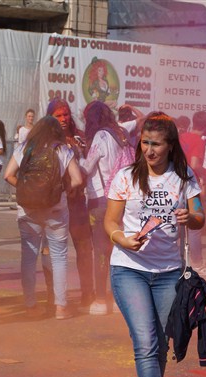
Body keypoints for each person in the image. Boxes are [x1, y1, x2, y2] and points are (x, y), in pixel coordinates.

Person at [103, 112, 204, 377]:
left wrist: (191, 217)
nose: (149, 149)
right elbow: (109, 222)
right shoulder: (126, 177)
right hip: (128, 269)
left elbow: (200, 216)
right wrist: (122, 239)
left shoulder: (184, 177)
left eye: (156, 144)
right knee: (145, 340)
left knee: (160, 343)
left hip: (168, 273)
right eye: (145, 143)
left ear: (170, 145)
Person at [4, 116, 83, 319]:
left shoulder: (25, 148)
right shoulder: (62, 149)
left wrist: (26, 190)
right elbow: (77, 179)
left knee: (29, 258)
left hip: (28, 210)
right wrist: (63, 190)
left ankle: (30, 306)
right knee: (59, 257)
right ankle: (61, 307)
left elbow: (8, 175)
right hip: (56, 210)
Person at [80, 101, 139, 316]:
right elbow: (141, 120)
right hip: (122, 199)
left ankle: (100, 299)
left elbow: (87, 167)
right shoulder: (121, 133)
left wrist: (77, 157)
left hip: (101, 199)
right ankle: (117, 299)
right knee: (119, 250)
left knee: (101, 251)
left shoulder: (100, 137)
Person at [47, 99, 95, 306]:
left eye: (65, 114)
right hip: (53, 202)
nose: (63, 119)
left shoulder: (79, 137)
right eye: (58, 115)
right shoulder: (45, 138)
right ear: (50, 117)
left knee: (84, 248)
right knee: (51, 251)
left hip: (77, 202)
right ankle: (52, 296)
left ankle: (87, 292)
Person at [179, 111, 206, 275]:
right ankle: (197, 264)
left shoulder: (182, 137)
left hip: (176, 184)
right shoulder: (198, 141)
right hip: (190, 185)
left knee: (179, 226)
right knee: (194, 227)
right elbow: (194, 164)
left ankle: (182, 261)